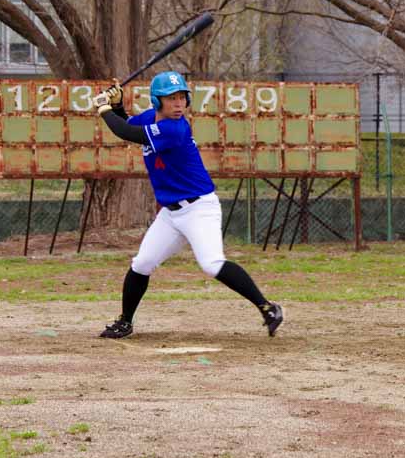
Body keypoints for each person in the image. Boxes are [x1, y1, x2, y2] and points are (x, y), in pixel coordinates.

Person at [93, 71, 284, 339]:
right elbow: (127, 125)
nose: (178, 103)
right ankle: (125, 321)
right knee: (142, 263)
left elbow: (125, 131)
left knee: (211, 263)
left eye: (182, 97)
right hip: (171, 213)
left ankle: (268, 308)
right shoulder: (150, 118)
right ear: (157, 102)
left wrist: (103, 108)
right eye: (171, 98)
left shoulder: (175, 129)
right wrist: (115, 106)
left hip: (199, 209)